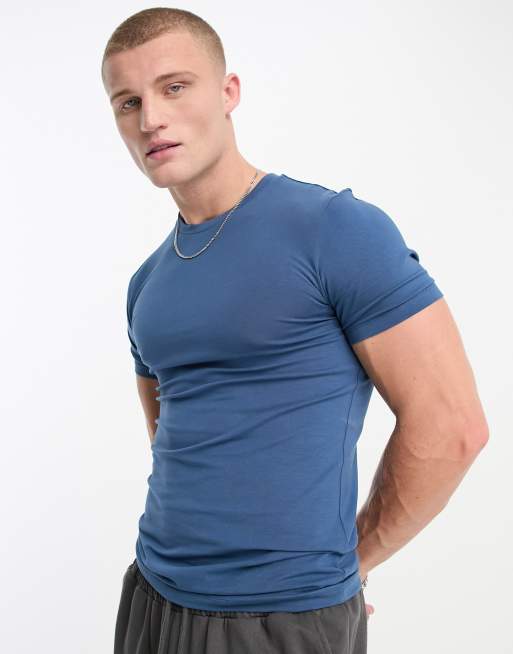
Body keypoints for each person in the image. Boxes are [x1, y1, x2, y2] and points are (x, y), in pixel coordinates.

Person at [101, 8, 489, 654]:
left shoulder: (333, 229)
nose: (151, 120)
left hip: (283, 615)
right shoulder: (147, 283)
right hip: (152, 596)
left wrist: (353, 561)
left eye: (175, 87)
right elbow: (168, 435)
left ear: (228, 92)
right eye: (128, 102)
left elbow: (453, 427)